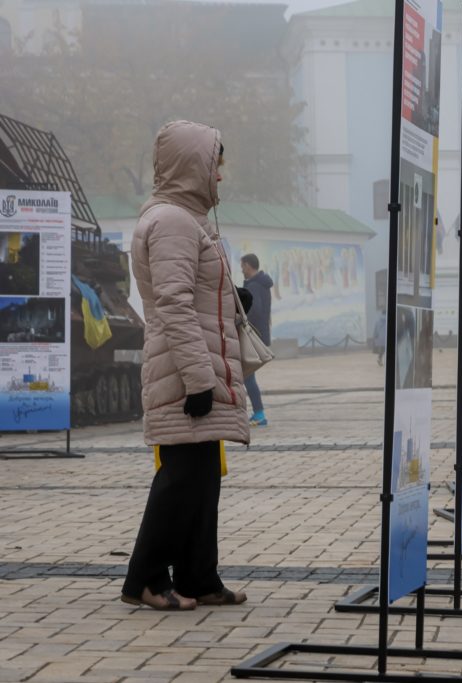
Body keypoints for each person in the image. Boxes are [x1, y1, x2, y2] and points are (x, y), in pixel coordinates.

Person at [122, 120, 250, 611]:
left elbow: (191, 290)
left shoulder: (186, 219)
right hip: (184, 371)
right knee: (180, 479)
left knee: (201, 479)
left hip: (194, 366)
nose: (220, 176)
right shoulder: (173, 220)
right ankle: (146, 581)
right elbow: (172, 305)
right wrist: (199, 381)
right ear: (192, 166)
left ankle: (199, 577)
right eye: (215, 165)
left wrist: (232, 298)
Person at [241, 253, 273, 426]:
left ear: (248, 265)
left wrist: (241, 318)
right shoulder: (263, 284)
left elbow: (254, 310)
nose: (241, 270)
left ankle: (259, 413)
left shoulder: (253, 286)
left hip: (251, 336)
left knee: (247, 375)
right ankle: (258, 412)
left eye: (242, 266)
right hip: (259, 335)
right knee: (247, 375)